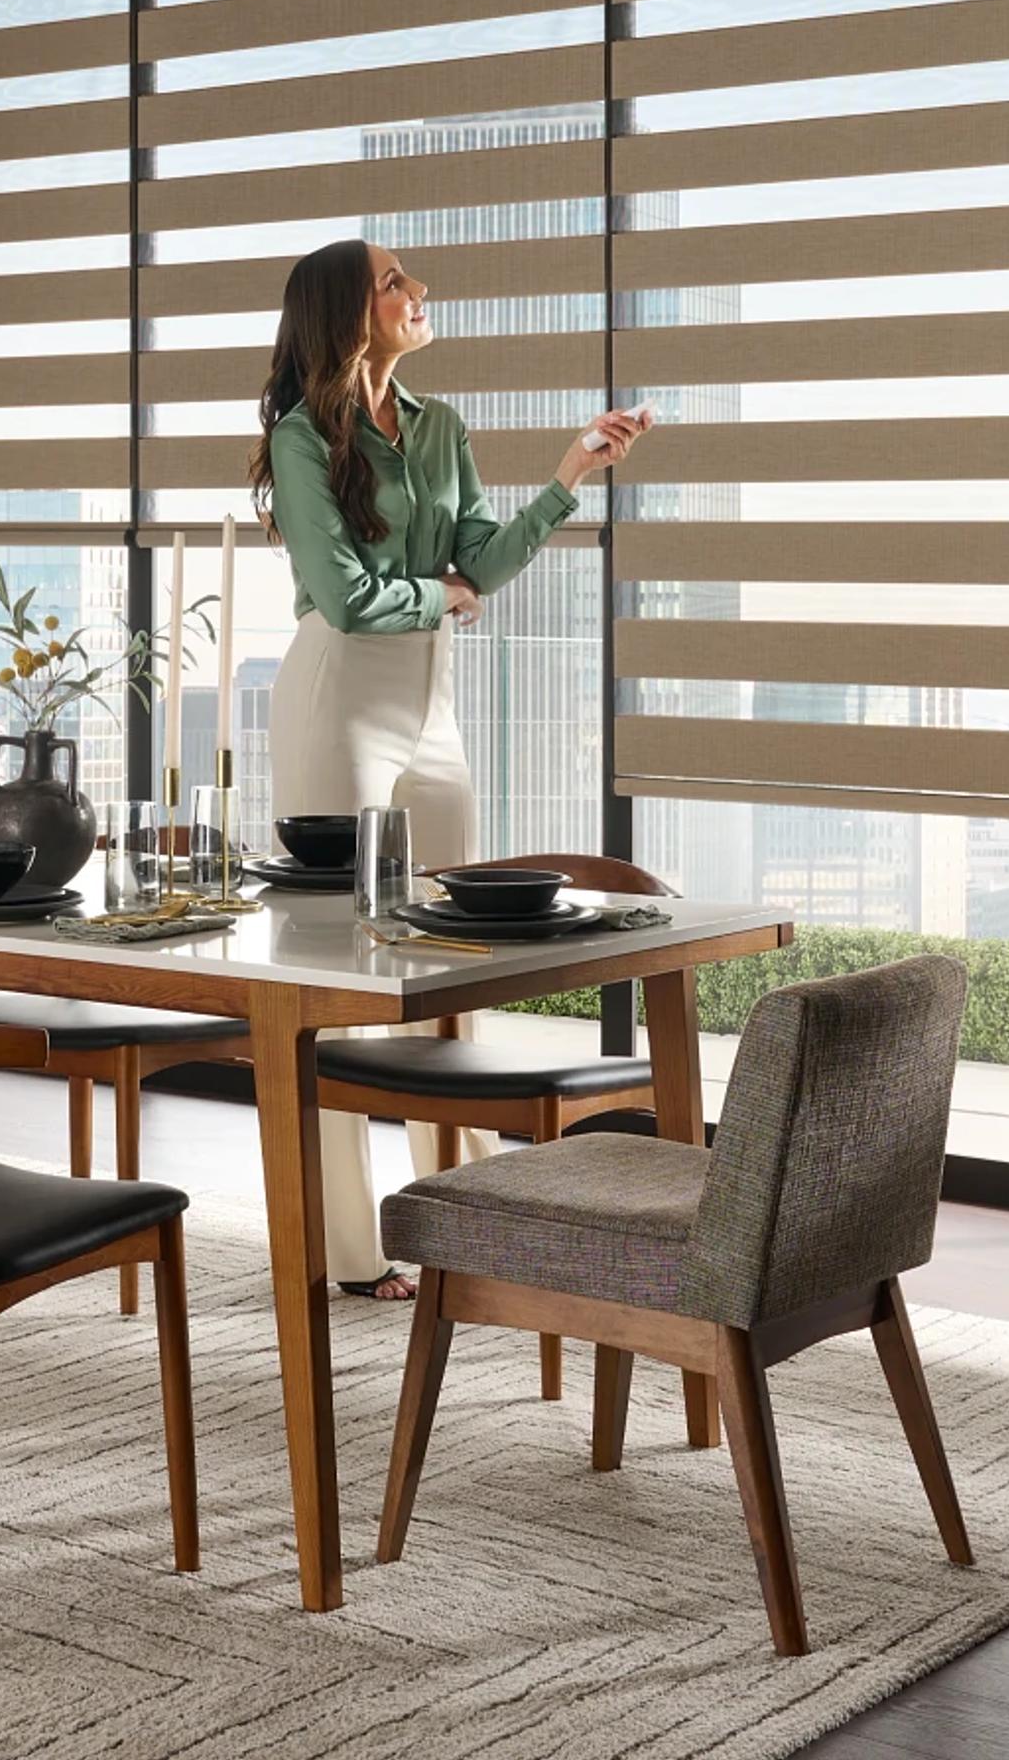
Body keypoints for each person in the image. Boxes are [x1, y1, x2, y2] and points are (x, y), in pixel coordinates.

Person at [252, 237, 651, 1297]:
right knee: (334, 969)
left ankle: (456, 1222)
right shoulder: (301, 439)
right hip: (338, 695)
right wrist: (444, 596)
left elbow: (480, 561)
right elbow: (346, 599)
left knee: (450, 957)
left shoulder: (440, 427)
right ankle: (344, 1247)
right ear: (347, 313)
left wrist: (569, 475)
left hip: (430, 703)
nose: (418, 292)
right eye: (394, 283)